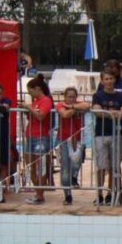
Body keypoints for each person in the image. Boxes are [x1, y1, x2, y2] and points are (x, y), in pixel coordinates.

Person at [92, 71, 122, 205]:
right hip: (101, 133)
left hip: (117, 134)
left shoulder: (121, 95)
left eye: (111, 78)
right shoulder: (98, 95)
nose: (109, 81)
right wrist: (113, 114)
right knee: (101, 165)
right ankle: (99, 193)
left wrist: (108, 113)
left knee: (114, 165)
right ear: (102, 81)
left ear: (114, 80)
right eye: (106, 79)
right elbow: (97, 112)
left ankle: (110, 192)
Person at [54, 87, 90, 206]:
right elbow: (64, 114)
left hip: (78, 139)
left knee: (77, 162)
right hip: (64, 139)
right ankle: (67, 194)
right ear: (65, 97)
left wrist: (72, 106)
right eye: (69, 97)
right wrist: (74, 109)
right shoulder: (60, 104)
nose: (71, 99)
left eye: (73, 97)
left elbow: (87, 106)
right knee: (65, 167)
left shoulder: (77, 104)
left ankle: (73, 177)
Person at [23, 77, 54, 205]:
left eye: (30, 91)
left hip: (41, 137)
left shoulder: (46, 100)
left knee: (40, 167)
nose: (29, 94)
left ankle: (40, 195)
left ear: (37, 89)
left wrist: (28, 107)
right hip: (30, 136)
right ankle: (38, 192)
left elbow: (41, 116)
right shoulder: (35, 102)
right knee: (30, 166)